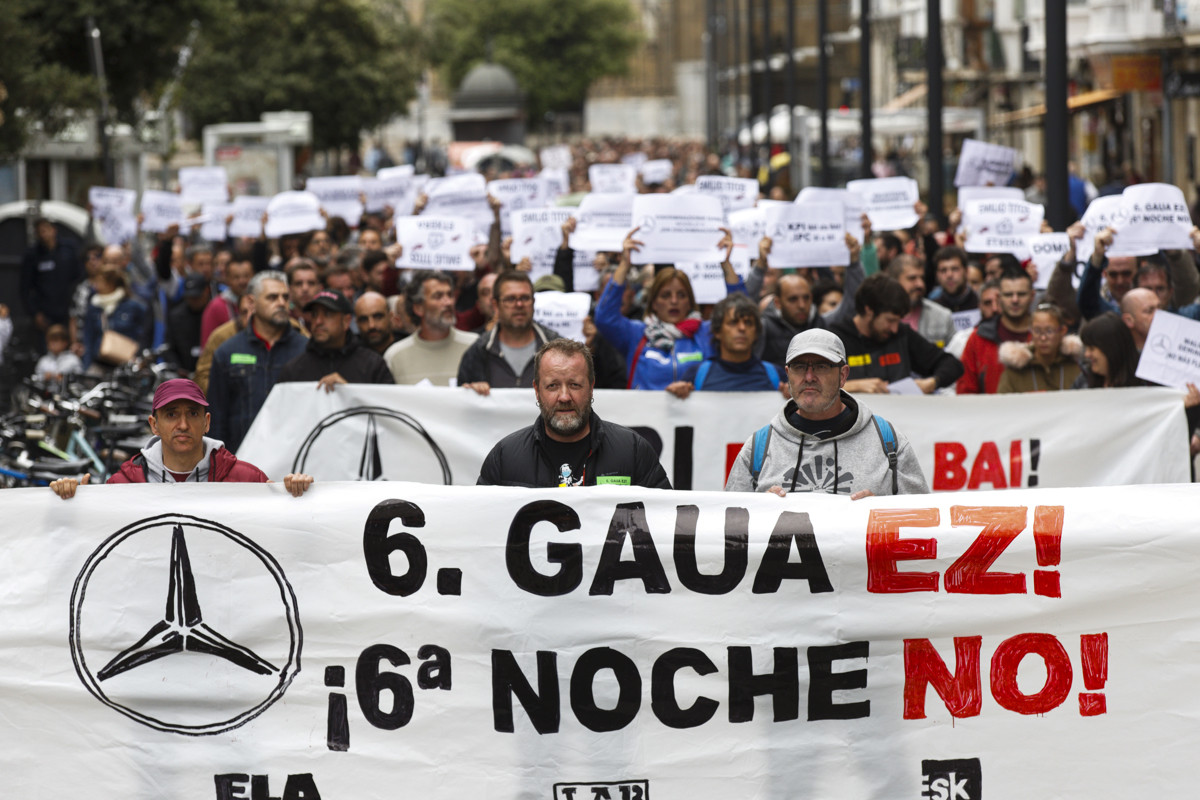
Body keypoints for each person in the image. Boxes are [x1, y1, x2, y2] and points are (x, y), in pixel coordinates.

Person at [725, 329, 928, 496]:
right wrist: (761, 513)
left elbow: (921, 523)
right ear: (787, 374)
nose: (809, 376)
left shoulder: (888, 441)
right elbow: (731, 529)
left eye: (821, 366)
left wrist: (880, 514)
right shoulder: (759, 446)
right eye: (799, 366)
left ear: (843, 375)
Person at [49, 379, 313, 497]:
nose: (183, 424)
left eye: (193, 413)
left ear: (206, 422)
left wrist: (294, 493)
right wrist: (73, 500)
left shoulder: (248, 479)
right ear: (154, 425)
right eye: (172, 414)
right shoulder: (121, 485)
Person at [477, 338, 671, 488]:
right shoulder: (505, 458)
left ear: (591, 387)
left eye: (574, 385)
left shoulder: (633, 452)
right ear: (537, 390)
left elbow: (665, 522)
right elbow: (481, 531)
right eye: (552, 386)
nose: (564, 397)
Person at [594, 226, 745, 389]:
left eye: (681, 295)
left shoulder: (707, 333)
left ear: (690, 301)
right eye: (665, 296)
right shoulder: (636, 334)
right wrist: (624, 264)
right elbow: (604, 317)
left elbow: (742, 311)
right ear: (653, 303)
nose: (674, 301)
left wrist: (726, 265)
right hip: (644, 414)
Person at [208, 271, 308, 453]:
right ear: (251, 303)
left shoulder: (306, 351)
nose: (281, 303)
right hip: (241, 461)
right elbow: (217, 417)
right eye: (272, 297)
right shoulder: (228, 352)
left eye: (285, 297)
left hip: (294, 462)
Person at [825, 273, 963, 394]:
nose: (894, 329)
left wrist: (931, 383)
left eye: (898, 322)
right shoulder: (835, 338)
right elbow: (815, 384)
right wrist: (852, 386)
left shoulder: (902, 335)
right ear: (869, 311)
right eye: (890, 321)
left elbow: (951, 364)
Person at [458, 270, 559, 394]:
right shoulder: (478, 353)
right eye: (510, 299)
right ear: (495, 305)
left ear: (533, 302)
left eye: (525, 298)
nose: (519, 304)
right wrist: (472, 393)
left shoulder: (558, 348)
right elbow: (463, 408)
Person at [667, 293, 783, 396]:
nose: (742, 328)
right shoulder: (696, 376)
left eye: (748, 323)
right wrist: (676, 394)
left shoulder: (777, 376)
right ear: (717, 331)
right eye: (733, 322)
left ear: (756, 332)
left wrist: (792, 396)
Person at [277, 291, 394, 391]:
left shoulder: (372, 365)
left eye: (327, 314)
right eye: (314, 315)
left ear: (346, 321)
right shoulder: (294, 370)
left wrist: (348, 393)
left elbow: (387, 409)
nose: (318, 321)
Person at [384, 270, 478, 385]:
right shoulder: (395, 356)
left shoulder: (474, 346)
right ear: (419, 308)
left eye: (450, 295)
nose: (448, 302)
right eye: (438, 296)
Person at [957, 269, 1034, 394]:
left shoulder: (1044, 337)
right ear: (999, 298)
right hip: (989, 412)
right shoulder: (978, 339)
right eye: (1008, 294)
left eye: (1021, 294)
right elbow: (965, 391)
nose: (1015, 300)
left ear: (1032, 296)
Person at [996, 303, 1082, 393]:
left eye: (1049, 331)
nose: (1043, 338)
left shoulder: (1074, 368)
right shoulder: (1015, 371)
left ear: (1062, 331)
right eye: (1037, 331)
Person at [21, 218, 82, 335]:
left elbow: (78, 277)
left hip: (68, 309)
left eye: (45, 230)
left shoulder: (69, 250)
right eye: (40, 232)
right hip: (46, 311)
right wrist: (34, 313)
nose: (43, 235)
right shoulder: (33, 255)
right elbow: (26, 287)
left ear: (54, 230)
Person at [81, 266, 150, 370]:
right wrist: (87, 365)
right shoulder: (94, 307)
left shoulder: (133, 306)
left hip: (128, 363)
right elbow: (88, 338)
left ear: (111, 284)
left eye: (100, 282)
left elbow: (146, 332)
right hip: (100, 361)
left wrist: (140, 356)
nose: (96, 286)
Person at [887, 254, 956, 348]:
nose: (920, 284)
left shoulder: (942, 316)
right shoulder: (880, 318)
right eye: (912, 278)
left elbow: (952, 357)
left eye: (922, 278)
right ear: (894, 281)